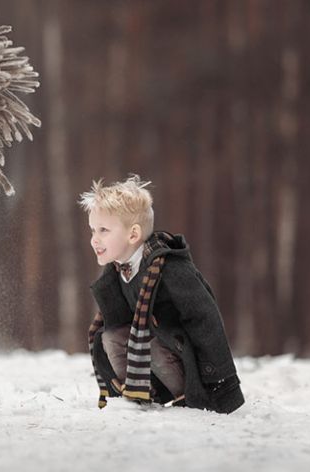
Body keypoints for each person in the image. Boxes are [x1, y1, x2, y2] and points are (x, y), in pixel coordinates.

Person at [79, 174, 244, 413]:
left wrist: (219, 379)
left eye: (103, 230)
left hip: (188, 360)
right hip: (155, 355)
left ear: (133, 235)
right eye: (93, 230)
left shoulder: (170, 269)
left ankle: (185, 399)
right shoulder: (117, 272)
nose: (95, 239)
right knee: (109, 336)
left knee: (153, 344)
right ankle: (136, 394)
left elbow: (205, 318)